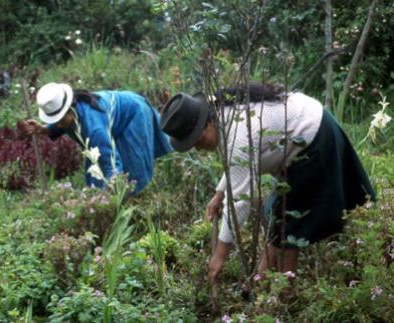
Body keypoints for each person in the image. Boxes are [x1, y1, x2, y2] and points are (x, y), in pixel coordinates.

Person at [160, 84, 376, 285]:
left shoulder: (237, 130)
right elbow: (237, 165)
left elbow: (239, 202)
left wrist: (219, 257)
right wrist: (219, 193)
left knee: (288, 224)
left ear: (207, 123)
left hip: (314, 138)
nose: (198, 148)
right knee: (273, 212)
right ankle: (262, 282)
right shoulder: (224, 117)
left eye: (197, 141)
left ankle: (283, 294)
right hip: (307, 131)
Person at [20, 82, 172, 194]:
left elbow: (109, 160)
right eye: (55, 122)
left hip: (133, 114)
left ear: (70, 109)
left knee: (133, 168)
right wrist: (44, 129)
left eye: (60, 120)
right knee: (95, 174)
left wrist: (112, 186)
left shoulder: (94, 128)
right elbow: (61, 123)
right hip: (111, 121)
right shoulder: (72, 114)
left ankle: (140, 205)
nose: (59, 125)